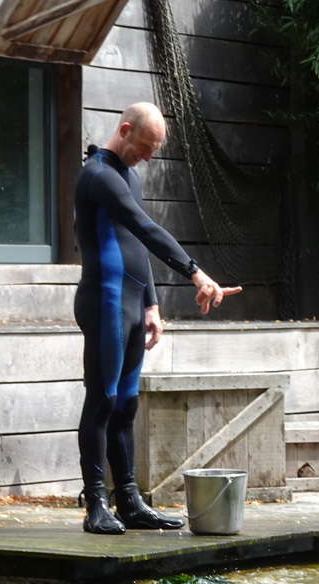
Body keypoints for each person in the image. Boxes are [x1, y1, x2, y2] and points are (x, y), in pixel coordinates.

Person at [74, 102, 242, 534]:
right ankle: (96, 503)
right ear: (125, 131)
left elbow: (137, 244)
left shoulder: (128, 175)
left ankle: (129, 501)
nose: (148, 157)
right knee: (103, 400)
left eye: (153, 150)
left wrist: (152, 304)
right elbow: (145, 227)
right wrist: (196, 272)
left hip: (131, 303)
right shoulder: (98, 175)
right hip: (105, 300)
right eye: (144, 147)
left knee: (127, 405)